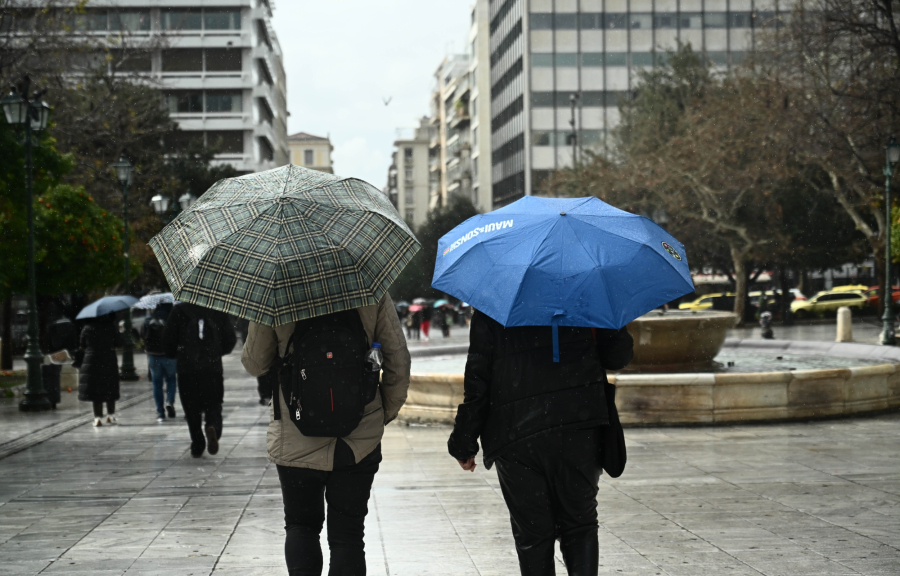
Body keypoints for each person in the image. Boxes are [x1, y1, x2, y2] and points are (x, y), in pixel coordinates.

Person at [448, 310, 634, 576]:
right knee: (579, 526)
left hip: (517, 435)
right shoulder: (586, 292)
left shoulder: (495, 300)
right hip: (578, 426)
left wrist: (463, 441)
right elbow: (618, 357)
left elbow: (478, 380)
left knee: (533, 536)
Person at [241, 294, 410, 576]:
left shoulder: (274, 290)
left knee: (301, 526)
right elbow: (397, 358)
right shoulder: (370, 286)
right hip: (358, 438)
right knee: (348, 536)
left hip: (296, 435)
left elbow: (255, 363)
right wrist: (381, 414)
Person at [163, 303, 237, 458]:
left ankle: (197, 442)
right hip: (212, 369)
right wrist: (215, 352)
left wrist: (177, 352)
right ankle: (213, 427)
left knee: (191, 408)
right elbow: (230, 339)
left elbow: (168, 340)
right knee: (214, 403)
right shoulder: (217, 309)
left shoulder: (179, 310)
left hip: (187, 369)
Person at [75, 313, 122, 427]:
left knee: (96, 389)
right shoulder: (111, 327)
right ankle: (110, 415)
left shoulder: (87, 328)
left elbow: (81, 344)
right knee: (110, 386)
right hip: (108, 359)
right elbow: (119, 342)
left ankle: (97, 417)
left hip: (92, 360)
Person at [142, 302, 177, 422]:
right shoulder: (173, 319)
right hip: (169, 355)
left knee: (156, 383)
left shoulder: (149, 320)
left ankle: (160, 413)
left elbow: (143, 335)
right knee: (171, 379)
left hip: (153, 355)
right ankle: (170, 401)